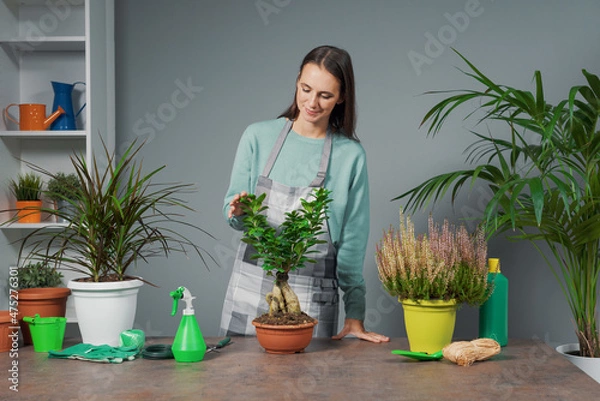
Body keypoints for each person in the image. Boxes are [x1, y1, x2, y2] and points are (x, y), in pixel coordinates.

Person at [219, 45, 389, 343]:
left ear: (342, 97)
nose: (312, 102)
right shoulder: (257, 137)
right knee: (241, 384)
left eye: (325, 95)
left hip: (312, 299)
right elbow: (233, 213)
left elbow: (351, 241)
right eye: (306, 89)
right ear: (297, 81)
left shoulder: (350, 156)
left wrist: (355, 313)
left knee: (306, 388)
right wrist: (238, 211)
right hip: (251, 290)